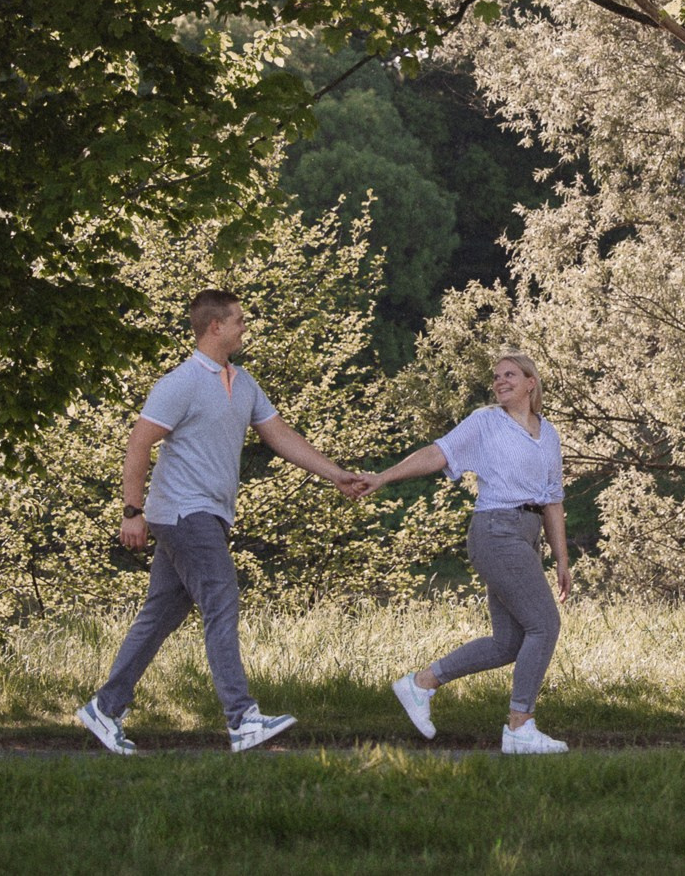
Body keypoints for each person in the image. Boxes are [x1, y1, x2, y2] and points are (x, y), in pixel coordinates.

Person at [76, 289, 367, 755]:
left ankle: (105, 708)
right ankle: (242, 718)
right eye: (239, 321)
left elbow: (280, 434)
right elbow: (138, 445)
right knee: (221, 598)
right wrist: (132, 513)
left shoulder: (243, 381)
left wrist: (336, 475)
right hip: (182, 512)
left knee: (161, 614)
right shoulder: (181, 382)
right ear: (216, 327)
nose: (244, 328)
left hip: (207, 513)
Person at [364, 352, 573, 755]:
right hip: (496, 530)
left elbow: (553, 501)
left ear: (531, 382)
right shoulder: (485, 422)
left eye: (509, 374)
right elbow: (436, 453)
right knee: (544, 626)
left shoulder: (548, 434)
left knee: (508, 643)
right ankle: (520, 726)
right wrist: (383, 476)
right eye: (495, 377)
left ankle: (420, 684)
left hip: (526, 536)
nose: (499, 381)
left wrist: (561, 559)